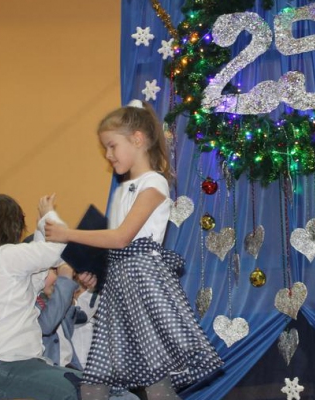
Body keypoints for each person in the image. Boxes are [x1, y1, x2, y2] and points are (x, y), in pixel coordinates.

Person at [45, 100, 223, 400]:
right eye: (105, 148)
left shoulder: (154, 183)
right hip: (119, 286)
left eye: (112, 146)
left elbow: (121, 238)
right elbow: (113, 247)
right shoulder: (121, 190)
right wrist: (95, 274)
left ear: (137, 139)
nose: (108, 155)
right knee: (98, 377)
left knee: (153, 377)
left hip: (143, 284)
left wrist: (66, 233)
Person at [0, 194, 80, 400]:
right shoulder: (3, 257)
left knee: (108, 391)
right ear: (13, 227)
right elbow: (62, 247)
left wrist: (42, 229)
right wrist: (48, 216)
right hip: (1, 368)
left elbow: (38, 274)